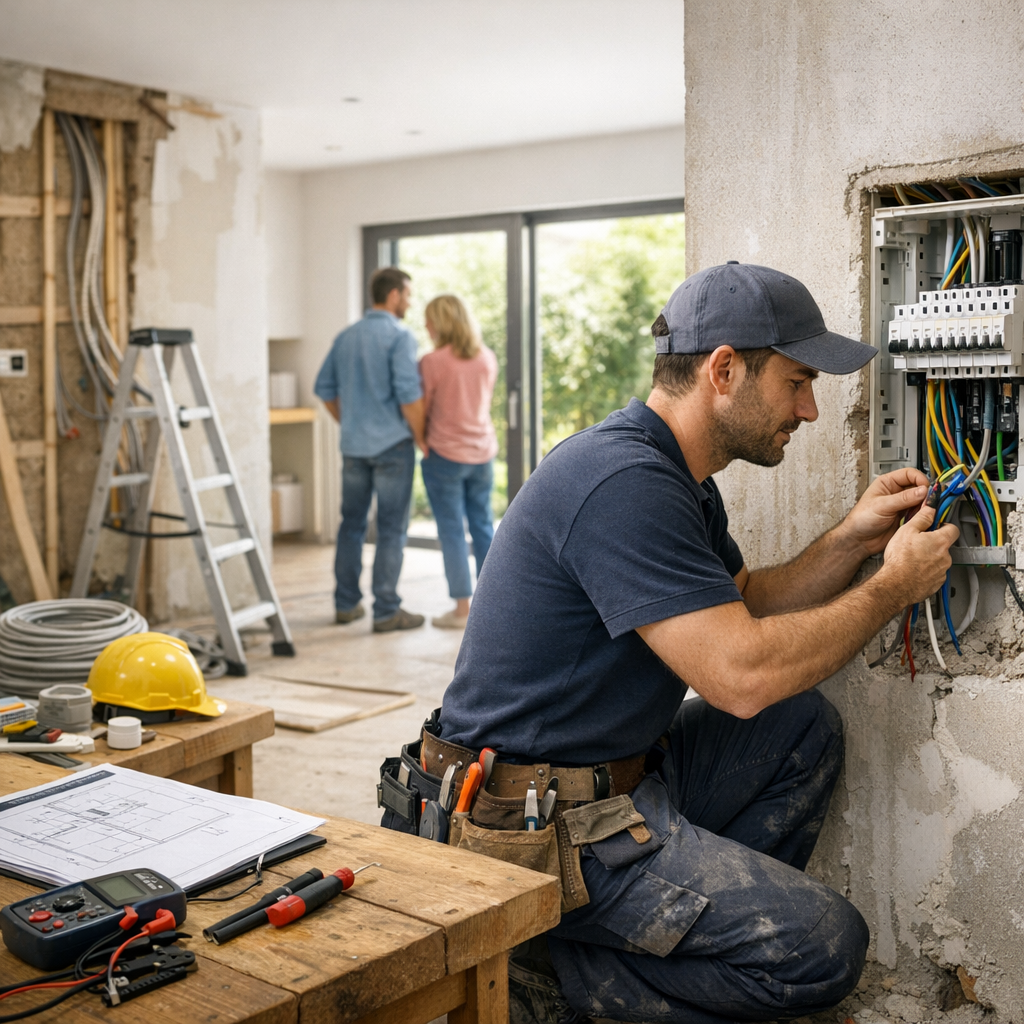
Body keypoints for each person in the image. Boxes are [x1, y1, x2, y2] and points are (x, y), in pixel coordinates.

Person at [384, 263, 959, 1023]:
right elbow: (740, 675)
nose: (811, 409)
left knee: (802, 730)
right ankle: (557, 984)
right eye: (796, 381)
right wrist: (891, 589)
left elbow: (746, 604)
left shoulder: (678, 475)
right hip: (522, 829)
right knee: (823, 945)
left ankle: (614, 944)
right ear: (725, 369)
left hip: (611, 787)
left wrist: (853, 542)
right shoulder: (622, 481)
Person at [314, 267, 427, 633]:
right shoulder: (400, 336)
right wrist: (421, 436)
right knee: (392, 529)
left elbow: (324, 388)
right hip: (393, 446)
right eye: (407, 294)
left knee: (351, 525)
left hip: (354, 447)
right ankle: (386, 611)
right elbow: (409, 394)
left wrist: (350, 423)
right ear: (393, 295)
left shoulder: (346, 336)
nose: (409, 301)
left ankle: (345, 605)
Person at [419, 294, 499, 629]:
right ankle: (494, 602)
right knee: (483, 526)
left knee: (452, 530)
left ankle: (462, 608)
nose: (426, 326)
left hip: (445, 456)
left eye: (430, 320)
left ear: (442, 323)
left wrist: (421, 440)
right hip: (482, 454)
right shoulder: (486, 358)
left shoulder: (433, 362)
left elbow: (422, 408)